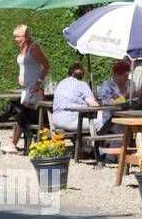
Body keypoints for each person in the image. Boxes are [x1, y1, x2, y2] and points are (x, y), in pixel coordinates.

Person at [6, 25, 50, 154]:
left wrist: (39, 83)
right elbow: (24, 67)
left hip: (34, 89)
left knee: (25, 116)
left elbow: (46, 65)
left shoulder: (34, 47)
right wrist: (19, 76)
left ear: (26, 36)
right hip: (26, 88)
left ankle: (15, 144)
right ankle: (22, 144)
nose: (16, 39)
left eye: (19, 36)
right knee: (23, 116)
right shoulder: (24, 48)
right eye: (15, 37)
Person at [50, 63, 101, 137]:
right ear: (83, 74)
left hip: (56, 120)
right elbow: (93, 104)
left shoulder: (61, 83)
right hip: (72, 120)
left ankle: (86, 146)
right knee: (105, 121)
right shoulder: (82, 84)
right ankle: (101, 147)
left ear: (70, 72)